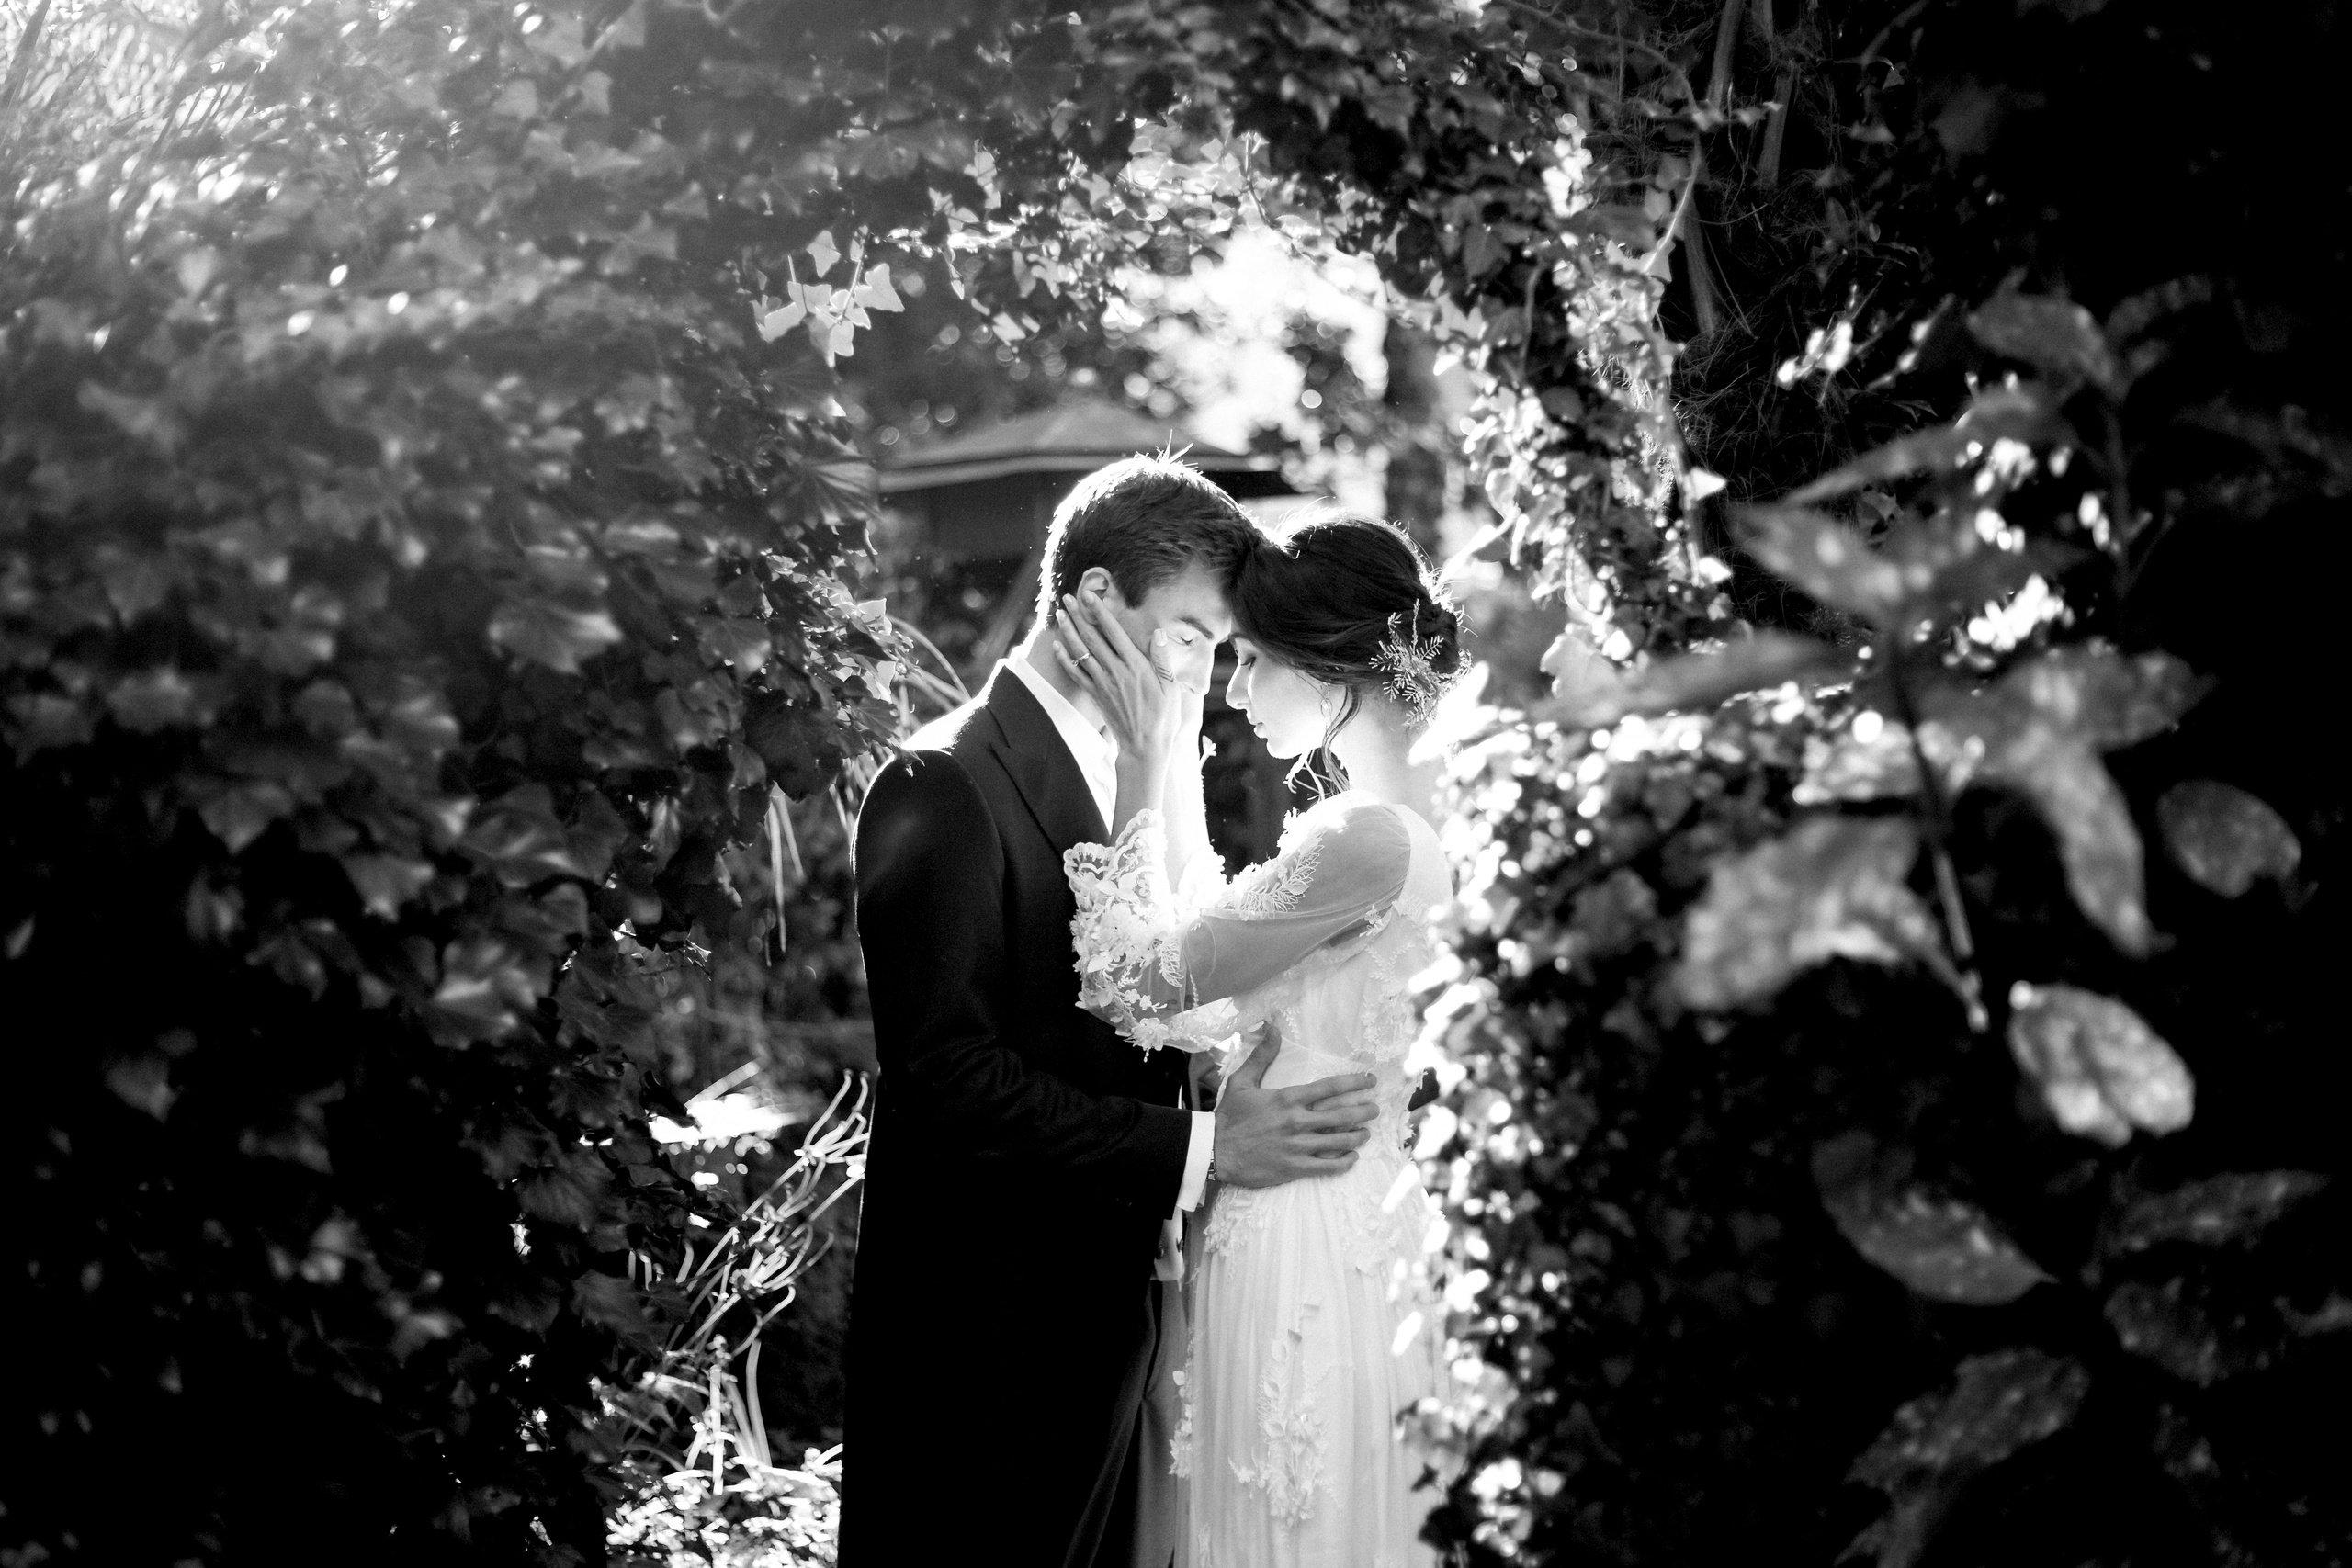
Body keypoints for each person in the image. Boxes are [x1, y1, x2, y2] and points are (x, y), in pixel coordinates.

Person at [842, 458, 1388, 1568]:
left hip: (1121, 1312)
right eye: (1188, 633)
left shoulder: (1138, 761)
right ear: (1096, 599)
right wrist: (1201, 1149)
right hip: (988, 1333)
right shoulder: (943, 781)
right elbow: (947, 1078)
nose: (1197, 673)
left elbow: (1152, 995)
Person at [1053, 508, 1463, 1568]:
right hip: (1373, 1217)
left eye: (1248, 662)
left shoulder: (1362, 837)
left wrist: (1146, 754)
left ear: (1326, 667)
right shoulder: (1437, 813)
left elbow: (1137, 984)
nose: (1231, 694)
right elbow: (1206, 968)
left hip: (1310, 1237)